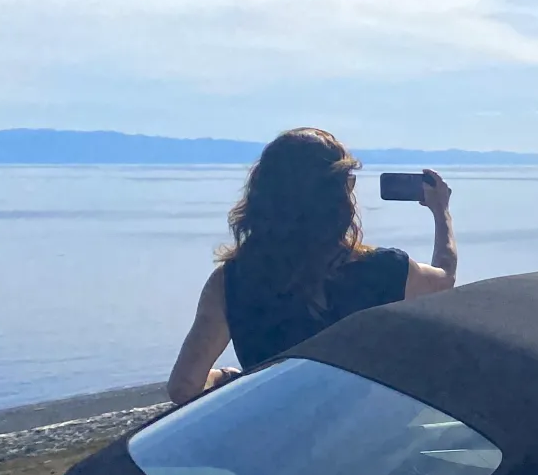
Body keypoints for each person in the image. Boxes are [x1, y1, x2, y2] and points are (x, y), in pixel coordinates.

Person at [165, 127, 457, 405]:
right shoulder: (385, 270)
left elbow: (184, 387)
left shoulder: (231, 281)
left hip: (281, 439)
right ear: (338, 199)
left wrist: (227, 378)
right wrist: (441, 211)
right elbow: (445, 277)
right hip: (367, 440)